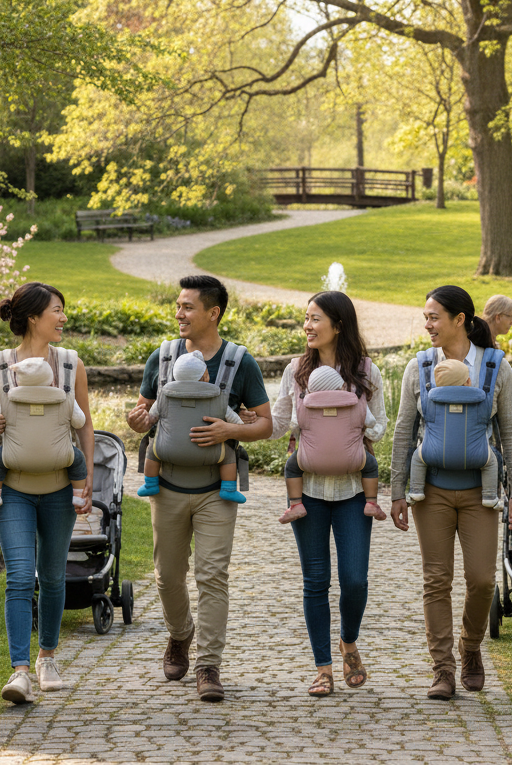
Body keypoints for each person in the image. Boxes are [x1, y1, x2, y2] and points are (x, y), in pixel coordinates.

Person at [126, 275, 273, 703]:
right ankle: (180, 634)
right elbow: (145, 409)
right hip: (167, 485)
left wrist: (230, 428)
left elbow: (265, 424)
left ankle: (209, 666)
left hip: (216, 489)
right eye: (177, 306)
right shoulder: (163, 355)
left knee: (212, 575)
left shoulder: (239, 362)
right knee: (167, 575)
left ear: (214, 312)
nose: (179, 314)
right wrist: (139, 420)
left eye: (188, 307)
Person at [391, 285, 512, 701]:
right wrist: (397, 489)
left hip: (480, 493)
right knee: (437, 580)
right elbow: (403, 431)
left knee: (482, 580)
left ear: (460, 320)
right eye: (426, 316)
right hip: (430, 491)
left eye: (434, 317)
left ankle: (470, 646)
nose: (427, 324)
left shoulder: (495, 367)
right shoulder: (420, 367)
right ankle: (443, 669)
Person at [0, 282, 95, 704]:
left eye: (63, 309)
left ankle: (48, 657)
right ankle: (20, 671)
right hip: (13, 492)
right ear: (32, 318)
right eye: (57, 310)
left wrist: (89, 475)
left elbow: (84, 424)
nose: (63, 318)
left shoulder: (70, 364)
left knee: (54, 576)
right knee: (21, 577)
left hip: (61, 489)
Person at [268, 291, 389, 696]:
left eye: (315, 319)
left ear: (339, 324)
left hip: (355, 490)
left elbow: (380, 426)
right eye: (306, 318)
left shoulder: (367, 373)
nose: (307, 326)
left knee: (354, 580)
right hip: (309, 491)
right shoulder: (295, 372)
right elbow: (278, 423)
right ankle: (323, 667)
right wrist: (237, 422)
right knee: (315, 579)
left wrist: (347, 426)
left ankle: (348, 640)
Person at [279, 364, 384, 525]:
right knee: (370, 466)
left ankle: (295, 504)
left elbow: (294, 425)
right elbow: (371, 423)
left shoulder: (305, 403)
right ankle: (371, 503)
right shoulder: (353, 399)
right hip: (353, 459)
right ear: (340, 383)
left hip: (309, 461)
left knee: (291, 467)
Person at [139, 349, 247, 504]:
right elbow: (236, 424)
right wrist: (242, 416)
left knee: (152, 449)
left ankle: (150, 483)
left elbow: (151, 418)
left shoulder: (164, 396)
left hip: (167, 451)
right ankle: (228, 488)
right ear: (204, 376)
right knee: (229, 455)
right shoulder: (218, 398)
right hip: (210, 452)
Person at [0, 356, 88, 510]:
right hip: (60, 454)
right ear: (49, 376)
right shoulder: (64, 396)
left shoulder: (9, 397)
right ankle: (78, 496)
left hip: (14, 455)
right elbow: (79, 421)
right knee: (78, 460)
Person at [406, 359, 501, 510]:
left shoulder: (430, 400)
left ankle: (416, 491)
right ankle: (489, 497)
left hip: (433, 453)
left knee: (417, 458)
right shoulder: (481, 400)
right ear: (468, 381)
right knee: (491, 462)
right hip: (477, 455)